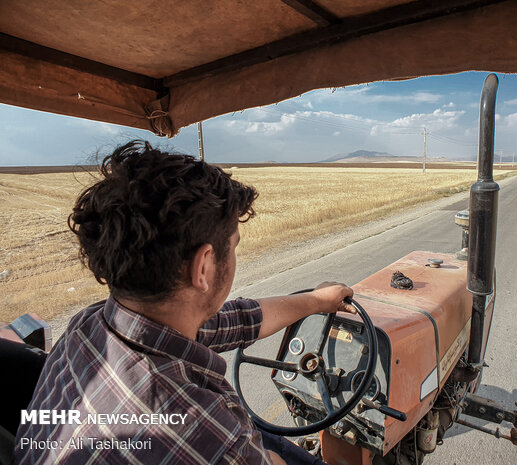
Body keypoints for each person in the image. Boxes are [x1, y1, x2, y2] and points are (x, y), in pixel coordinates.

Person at [14, 141, 354, 465]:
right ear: (203, 266)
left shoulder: (87, 325)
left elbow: (230, 322)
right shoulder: (211, 440)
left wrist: (314, 301)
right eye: (234, 246)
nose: (234, 255)